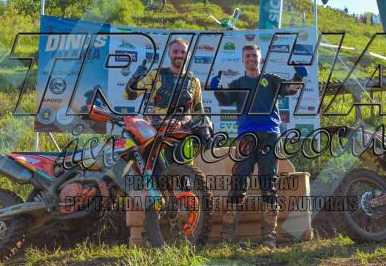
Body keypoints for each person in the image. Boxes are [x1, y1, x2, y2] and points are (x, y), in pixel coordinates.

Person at [210, 44, 308, 248]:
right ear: (242, 59)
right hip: (246, 136)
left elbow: (290, 89)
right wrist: (217, 88)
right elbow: (225, 100)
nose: (251, 59)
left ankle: (269, 237)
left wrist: (298, 76)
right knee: (239, 184)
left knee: (268, 184)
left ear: (260, 58)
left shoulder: (271, 79)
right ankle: (226, 236)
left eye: (254, 55)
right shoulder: (238, 83)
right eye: (248, 56)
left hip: (269, 136)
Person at [125, 37, 212, 160]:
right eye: (175, 51)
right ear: (169, 53)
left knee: (185, 169)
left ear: (188, 55)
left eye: (183, 52)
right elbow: (129, 95)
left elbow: (198, 111)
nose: (179, 55)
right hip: (157, 133)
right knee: (155, 169)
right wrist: (134, 78)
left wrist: (206, 135)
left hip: (183, 133)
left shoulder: (194, 81)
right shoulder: (156, 75)